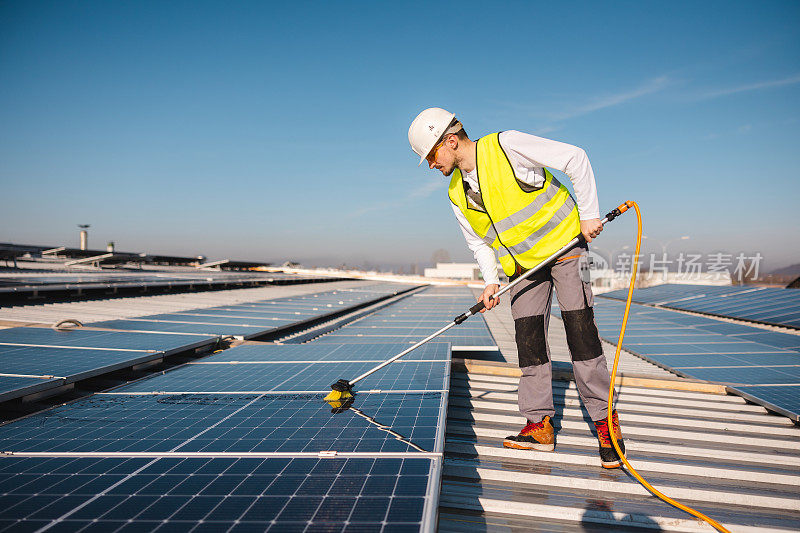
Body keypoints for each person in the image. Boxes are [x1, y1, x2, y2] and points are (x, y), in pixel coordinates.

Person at [408, 107, 625, 468]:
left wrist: (589, 213)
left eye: (431, 155)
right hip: (524, 268)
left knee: (581, 335)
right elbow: (479, 243)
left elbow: (575, 157)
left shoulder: (506, 146)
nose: (431, 164)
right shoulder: (455, 193)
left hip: (565, 248)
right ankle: (539, 425)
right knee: (528, 343)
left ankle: (606, 425)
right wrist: (491, 280)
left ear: (449, 141)